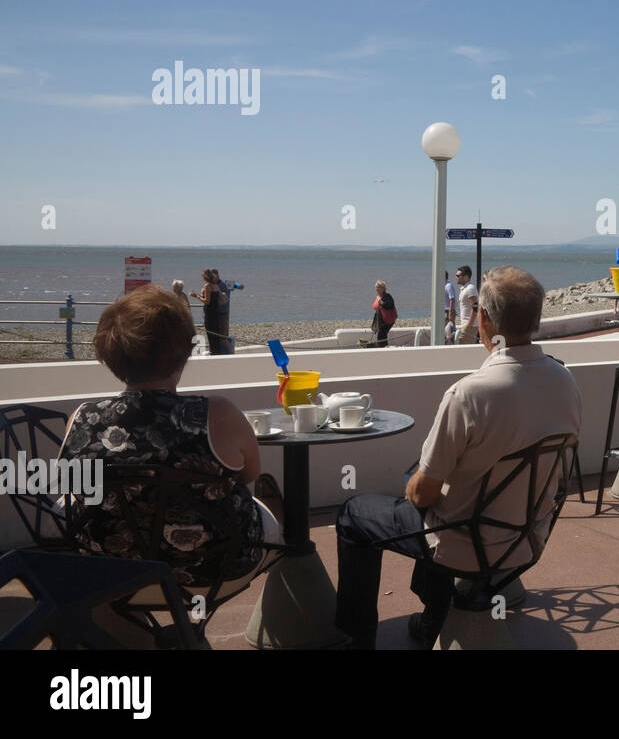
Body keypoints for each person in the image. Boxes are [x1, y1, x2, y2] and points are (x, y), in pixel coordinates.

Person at [333, 266, 581, 649]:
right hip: (526, 537)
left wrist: (416, 482)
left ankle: (356, 637)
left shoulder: (469, 394)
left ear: (484, 318)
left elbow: (422, 495)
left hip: (466, 542)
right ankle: (435, 614)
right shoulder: (565, 382)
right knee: (444, 499)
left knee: (358, 513)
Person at [58, 284, 279, 590]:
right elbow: (251, 474)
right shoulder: (219, 413)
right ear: (183, 352)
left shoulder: (81, 419)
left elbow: (72, 491)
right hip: (212, 571)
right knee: (268, 509)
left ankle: (126, 628)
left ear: (110, 355)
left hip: (111, 572)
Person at [190, 268, 230, 355]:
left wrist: (196, 295)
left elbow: (207, 301)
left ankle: (214, 352)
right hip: (216, 311)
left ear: (205, 277)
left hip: (210, 312)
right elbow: (218, 298)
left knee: (210, 333)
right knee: (215, 332)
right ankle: (217, 352)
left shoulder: (208, 286)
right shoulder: (216, 285)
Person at [454, 266, 479, 345]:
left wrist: (469, 325)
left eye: (458, 276)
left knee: (463, 349)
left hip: (469, 326)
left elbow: (475, 307)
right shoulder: (464, 288)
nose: (456, 277)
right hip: (465, 324)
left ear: (466, 277)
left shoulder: (470, 288)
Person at [371, 280, 397, 347]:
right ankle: (384, 347)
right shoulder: (378, 297)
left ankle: (384, 349)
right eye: (376, 287)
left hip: (388, 320)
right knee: (381, 335)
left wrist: (381, 303)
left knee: (381, 335)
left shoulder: (388, 296)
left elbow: (389, 305)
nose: (377, 289)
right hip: (381, 320)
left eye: (379, 287)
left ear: (383, 288)